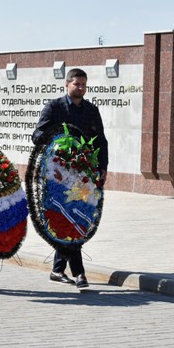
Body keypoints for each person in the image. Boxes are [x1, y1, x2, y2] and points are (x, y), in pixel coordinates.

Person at [31, 68, 109, 290]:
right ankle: (79, 272)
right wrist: (57, 141)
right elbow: (37, 135)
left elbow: (101, 141)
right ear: (66, 84)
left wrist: (102, 166)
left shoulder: (91, 111)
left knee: (78, 217)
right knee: (67, 215)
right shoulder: (54, 107)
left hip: (83, 176)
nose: (81, 88)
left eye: (84, 84)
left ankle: (57, 269)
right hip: (57, 176)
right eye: (77, 84)